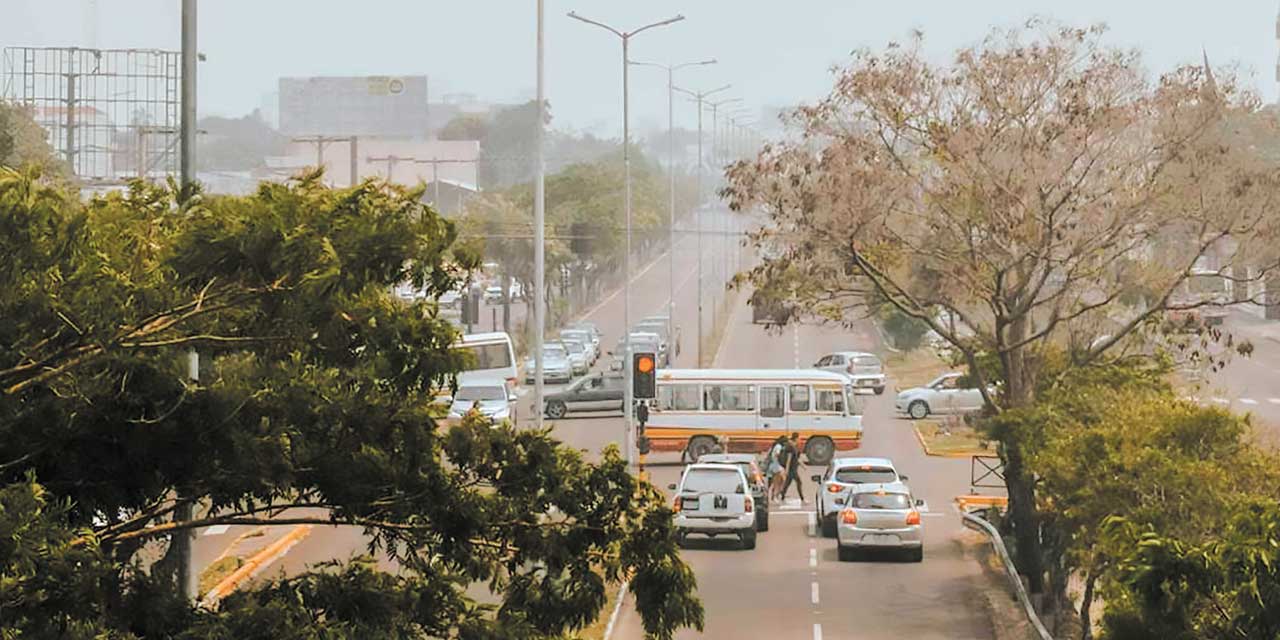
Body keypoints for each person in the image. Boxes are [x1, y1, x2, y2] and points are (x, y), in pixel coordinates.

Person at [780, 432, 806, 503]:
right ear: (796, 438)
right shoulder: (790, 447)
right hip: (792, 469)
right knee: (799, 482)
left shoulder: (793, 446)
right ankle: (802, 499)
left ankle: (782, 496)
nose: (800, 440)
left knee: (788, 483)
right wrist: (787, 470)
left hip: (793, 468)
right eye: (799, 438)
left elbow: (796, 458)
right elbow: (789, 459)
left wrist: (803, 466)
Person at [766, 436, 787, 502]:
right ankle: (775, 495)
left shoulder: (774, 446)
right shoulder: (779, 446)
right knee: (778, 482)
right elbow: (777, 454)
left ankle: (775, 495)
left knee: (775, 482)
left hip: (773, 465)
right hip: (776, 466)